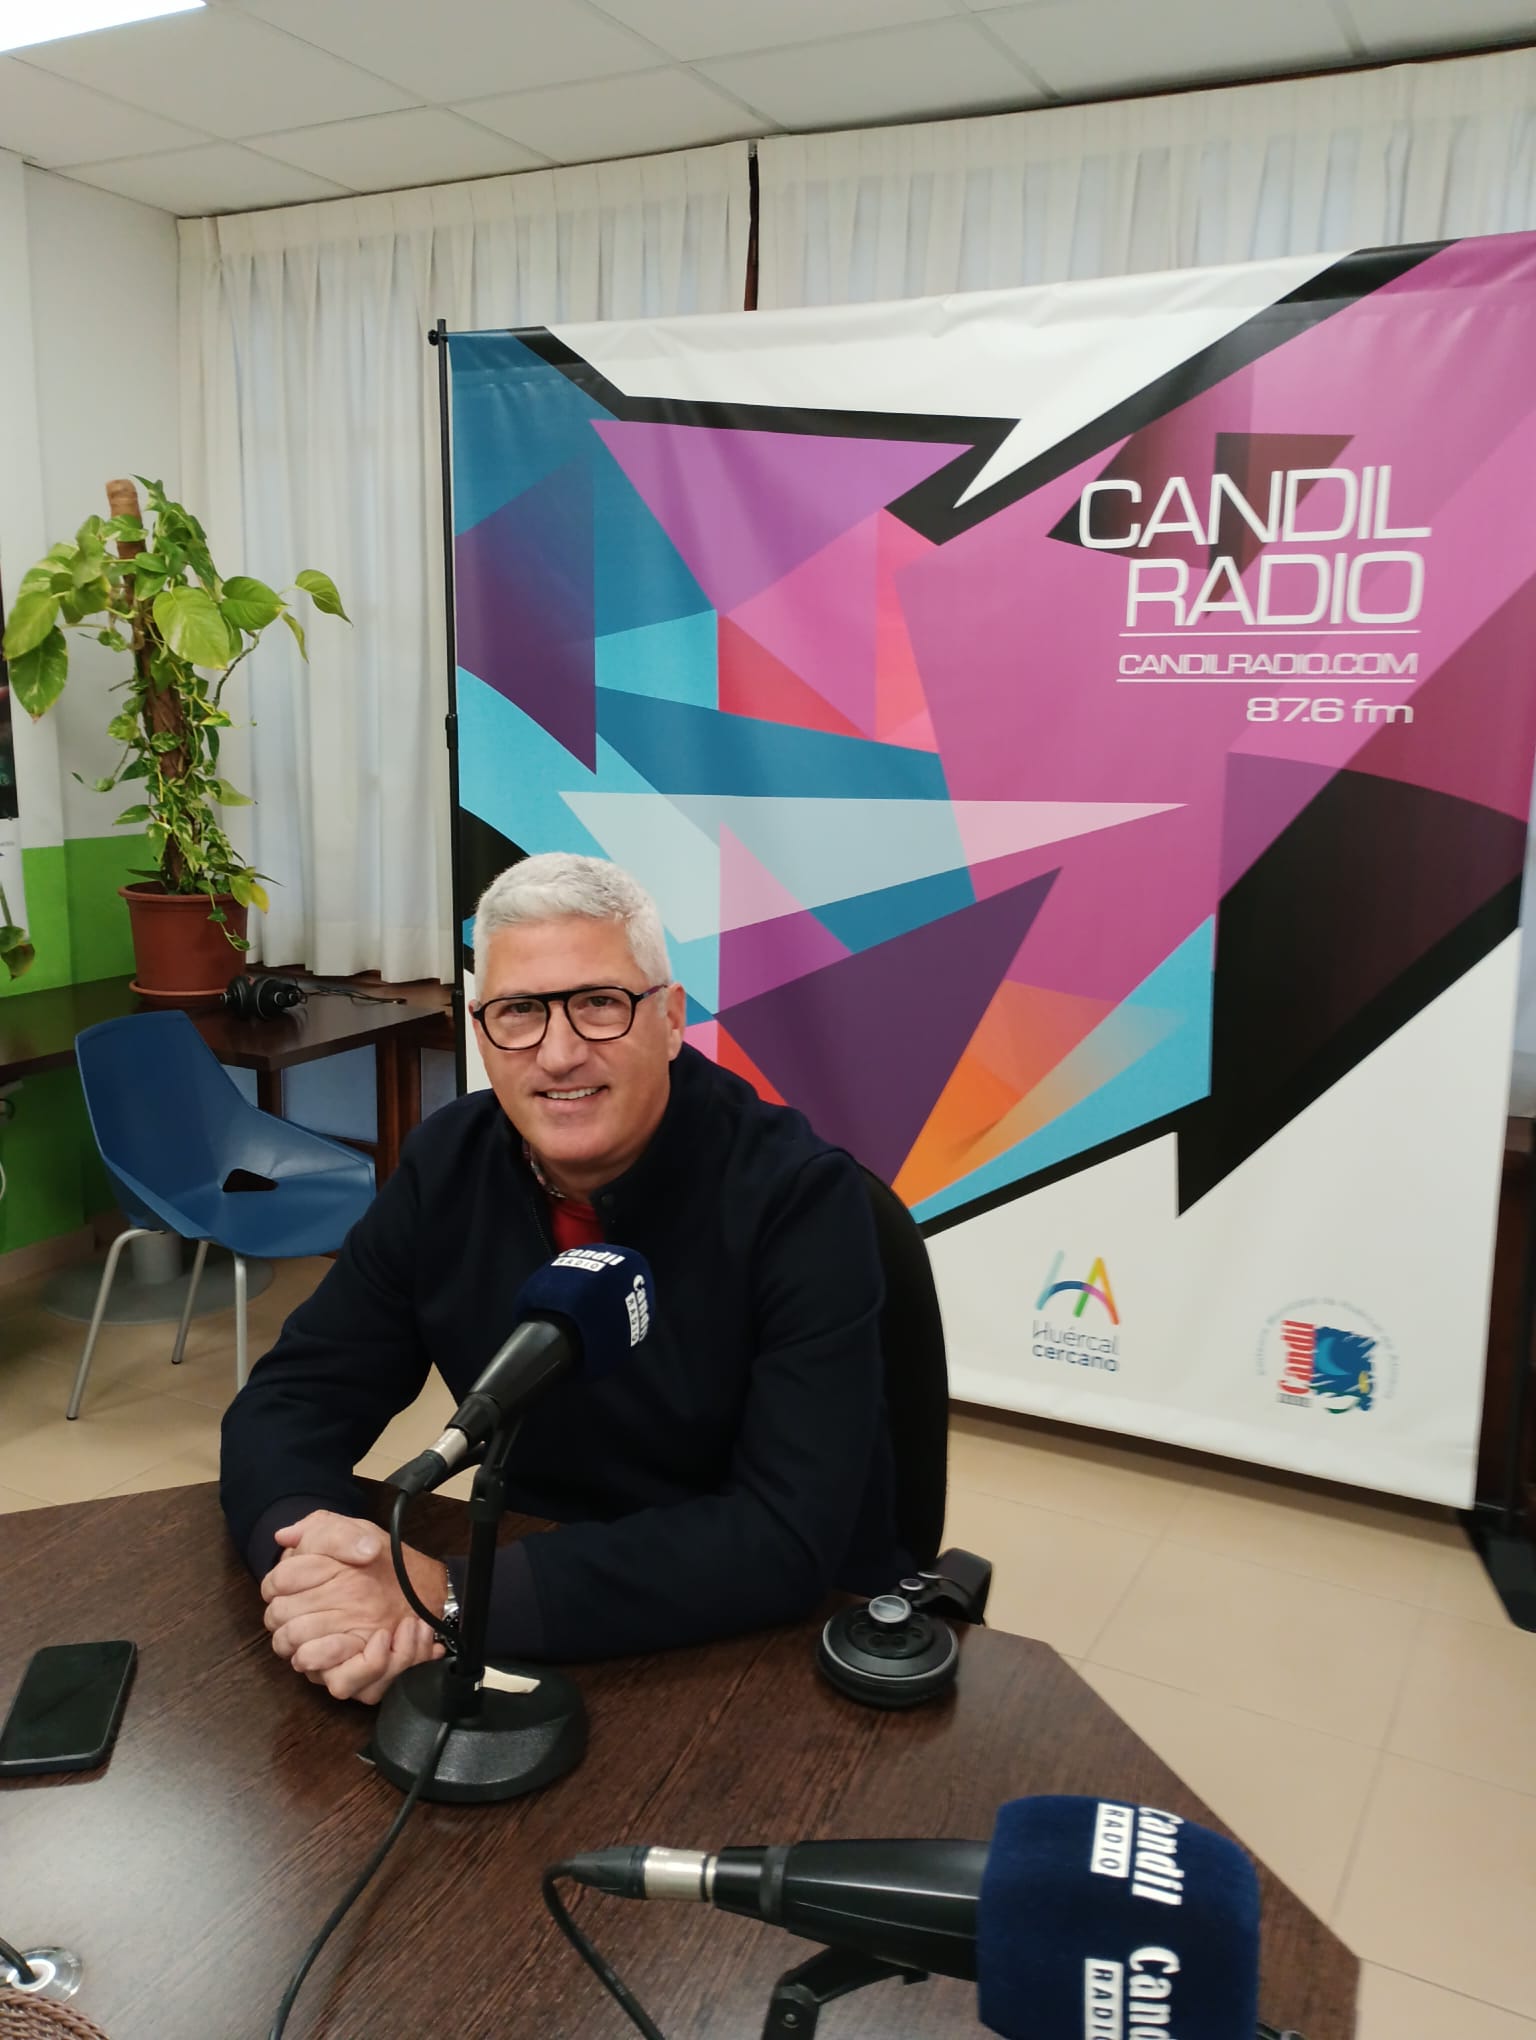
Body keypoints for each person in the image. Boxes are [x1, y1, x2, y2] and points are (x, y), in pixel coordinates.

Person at [221, 853, 904, 1705]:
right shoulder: (447, 1164)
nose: (560, 1052)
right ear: (482, 1032)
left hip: (755, 1647)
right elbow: (293, 1398)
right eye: (520, 1012)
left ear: (670, 1020)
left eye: (599, 1004)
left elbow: (783, 1534)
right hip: (531, 1591)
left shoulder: (800, 1199)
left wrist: (451, 1597)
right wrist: (311, 1561)